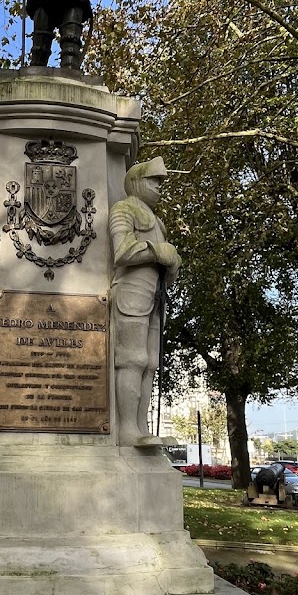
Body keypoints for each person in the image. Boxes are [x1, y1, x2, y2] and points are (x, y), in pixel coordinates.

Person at [109, 157, 181, 447]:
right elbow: (122, 251)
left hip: (154, 295)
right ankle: (127, 429)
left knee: (149, 363)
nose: (160, 187)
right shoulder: (124, 208)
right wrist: (157, 250)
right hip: (132, 291)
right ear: (137, 183)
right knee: (131, 359)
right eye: (154, 181)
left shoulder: (157, 220)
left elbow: (166, 268)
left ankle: (141, 426)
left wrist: (172, 261)